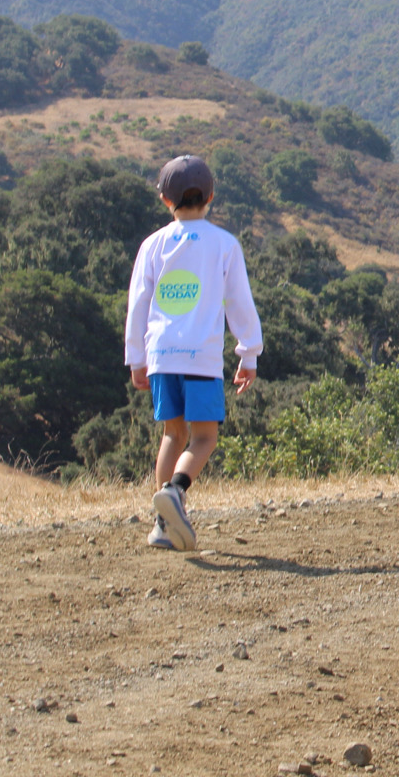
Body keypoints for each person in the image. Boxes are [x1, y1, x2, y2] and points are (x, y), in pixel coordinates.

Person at [124, 154, 261, 552]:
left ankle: (162, 526)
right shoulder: (224, 244)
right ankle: (176, 491)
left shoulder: (152, 245)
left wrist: (136, 358)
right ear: (211, 197)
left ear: (165, 200)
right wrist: (248, 353)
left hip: (162, 355)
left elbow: (138, 303)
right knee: (204, 438)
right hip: (201, 357)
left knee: (173, 434)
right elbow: (239, 302)